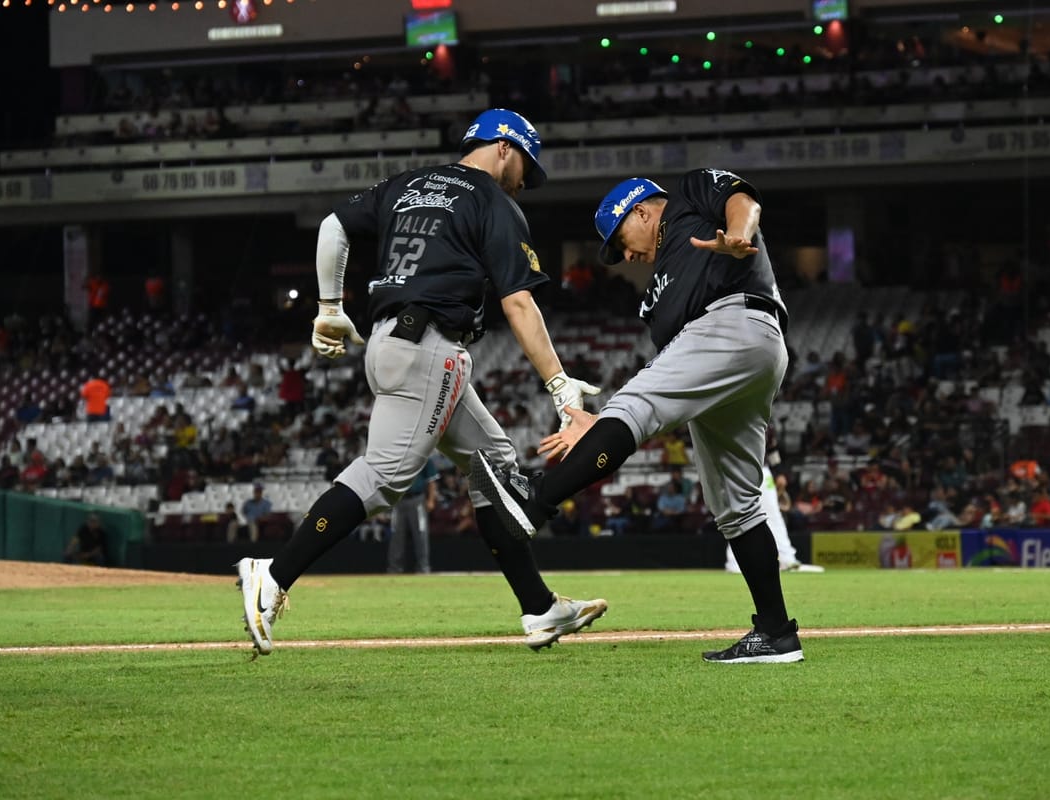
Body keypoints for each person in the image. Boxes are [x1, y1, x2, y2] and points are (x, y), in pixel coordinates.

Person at [235, 108, 607, 656]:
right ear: (504, 147)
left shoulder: (406, 184)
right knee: (385, 476)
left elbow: (333, 227)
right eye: (527, 164)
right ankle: (273, 573)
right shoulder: (492, 200)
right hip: (429, 348)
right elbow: (519, 301)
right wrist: (558, 385)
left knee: (494, 465)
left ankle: (539, 609)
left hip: (395, 341)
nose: (526, 180)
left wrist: (329, 306)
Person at [473, 169, 805, 664]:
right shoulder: (657, 292)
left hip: (736, 322)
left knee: (633, 407)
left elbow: (742, 200)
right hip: (739, 355)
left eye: (620, 240)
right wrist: (600, 424)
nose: (625, 256)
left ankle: (537, 500)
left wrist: (740, 233)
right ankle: (777, 634)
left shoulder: (689, 197)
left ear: (642, 210)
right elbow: (669, 379)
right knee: (736, 506)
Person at [726, 465, 825, 574]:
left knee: (773, 515)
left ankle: (786, 559)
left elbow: (772, 448)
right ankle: (735, 563)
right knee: (740, 514)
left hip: (761, 469)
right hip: (737, 468)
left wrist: (779, 471)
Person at [387, 460, 438, 574]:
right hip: (398, 499)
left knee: (421, 533)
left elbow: (431, 480)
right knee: (396, 535)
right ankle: (394, 569)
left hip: (417, 499)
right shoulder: (397, 456)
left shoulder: (424, 454)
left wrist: (431, 499)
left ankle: (423, 567)